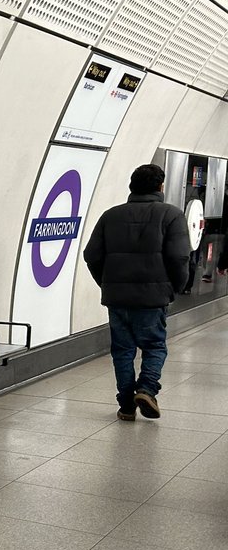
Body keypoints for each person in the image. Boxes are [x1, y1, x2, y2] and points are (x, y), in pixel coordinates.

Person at [83, 163, 191, 421]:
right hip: (152, 299)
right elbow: (179, 257)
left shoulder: (110, 216)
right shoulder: (172, 215)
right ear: (160, 187)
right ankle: (146, 390)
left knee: (122, 350)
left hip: (118, 299)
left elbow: (91, 255)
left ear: (131, 185)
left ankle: (126, 405)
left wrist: (107, 283)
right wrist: (174, 288)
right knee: (154, 346)